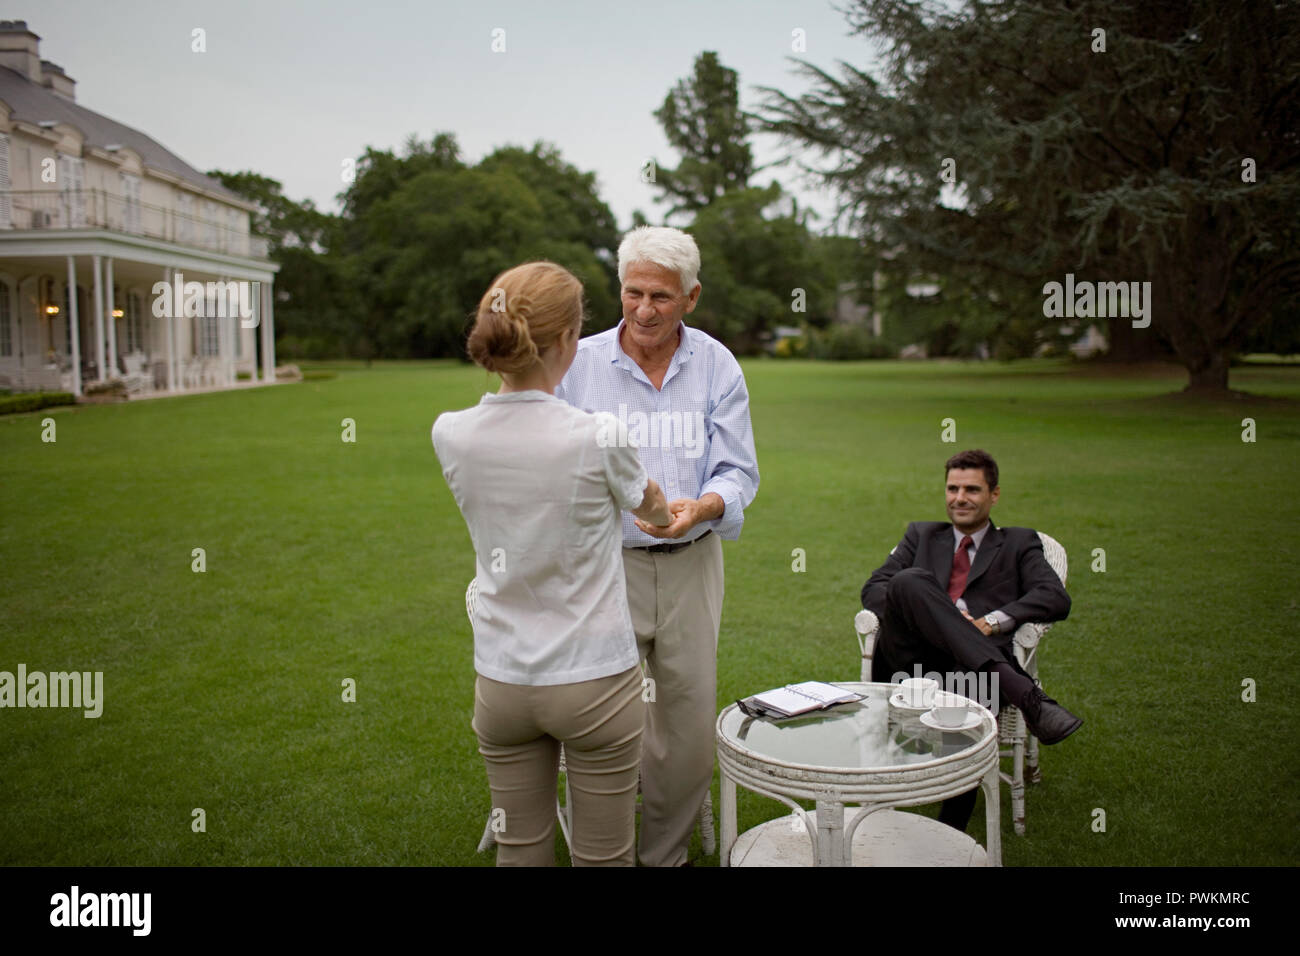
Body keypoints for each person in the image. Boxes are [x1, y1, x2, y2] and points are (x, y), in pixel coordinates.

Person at [432, 261, 674, 866]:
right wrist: (664, 516)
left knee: (520, 848)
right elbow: (653, 506)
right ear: (567, 340)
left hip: (502, 679)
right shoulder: (600, 435)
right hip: (593, 676)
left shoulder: (451, 433)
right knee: (605, 856)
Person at [556, 226, 759, 867]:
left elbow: (738, 472)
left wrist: (701, 506)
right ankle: (606, 854)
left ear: (691, 297)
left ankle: (664, 857)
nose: (644, 310)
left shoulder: (718, 364)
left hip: (693, 565)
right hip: (603, 566)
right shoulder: (577, 365)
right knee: (602, 721)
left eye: (662, 298)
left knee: (688, 727)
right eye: (633, 292)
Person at [861, 449, 1081, 831]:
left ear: (994, 494)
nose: (959, 498)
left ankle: (950, 830)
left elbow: (1054, 597)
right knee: (908, 580)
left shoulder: (1018, 543)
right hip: (910, 659)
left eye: (972, 489)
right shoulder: (921, 535)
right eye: (952, 488)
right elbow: (874, 588)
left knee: (973, 677)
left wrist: (993, 621)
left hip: (972, 666)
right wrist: (941, 614)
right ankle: (1027, 696)